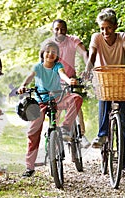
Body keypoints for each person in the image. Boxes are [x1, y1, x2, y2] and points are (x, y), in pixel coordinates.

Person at [83, 8, 125, 176]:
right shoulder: (96, 37)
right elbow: (91, 56)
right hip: (103, 78)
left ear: (115, 26)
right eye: (102, 28)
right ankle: (102, 135)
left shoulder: (123, 37)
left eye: (108, 28)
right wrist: (87, 69)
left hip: (120, 79)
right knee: (104, 101)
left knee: (123, 124)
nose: (105, 31)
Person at [17, 40, 83, 177]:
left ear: (57, 55)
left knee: (76, 98)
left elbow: (62, 74)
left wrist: (68, 80)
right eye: (47, 51)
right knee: (33, 132)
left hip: (57, 99)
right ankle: (30, 166)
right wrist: (23, 86)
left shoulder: (57, 66)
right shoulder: (38, 67)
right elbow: (29, 78)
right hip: (41, 101)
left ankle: (65, 127)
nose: (50, 54)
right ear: (43, 54)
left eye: (54, 52)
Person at [47, 19, 90, 148]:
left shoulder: (73, 40)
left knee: (76, 103)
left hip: (71, 79)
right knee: (56, 108)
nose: (60, 32)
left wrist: (88, 68)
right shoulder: (50, 44)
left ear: (66, 30)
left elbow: (84, 53)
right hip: (54, 81)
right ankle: (54, 138)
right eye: (57, 29)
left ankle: (81, 135)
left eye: (63, 29)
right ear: (52, 30)